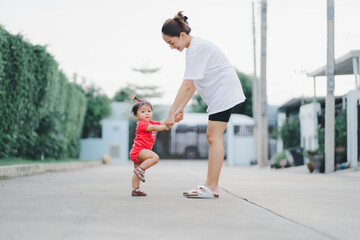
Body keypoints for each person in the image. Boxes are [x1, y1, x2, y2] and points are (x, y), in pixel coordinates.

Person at [162, 11, 246, 199]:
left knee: (213, 136)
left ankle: (212, 187)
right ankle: (210, 185)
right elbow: (191, 84)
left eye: (171, 42)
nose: (171, 47)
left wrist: (171, 112)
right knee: (213, 136)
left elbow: (186, 85)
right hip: (221, 93)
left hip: (224, 93)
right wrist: (181, 107)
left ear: (182, 36)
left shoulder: (197, 48)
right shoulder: (192, 49)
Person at [129, 96, 174, 197]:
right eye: (143, 112)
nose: (147, 113)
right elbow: (154, 127)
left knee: (137, 174)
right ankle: (140, 170)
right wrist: (166, 127)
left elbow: (162, 122)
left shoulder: (151, 122)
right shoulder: (142, 124)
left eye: (149, 111)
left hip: (138, 152)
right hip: (139, 150)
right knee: (155, 157)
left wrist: (173, 118)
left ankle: (136, 189)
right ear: (136, 115)